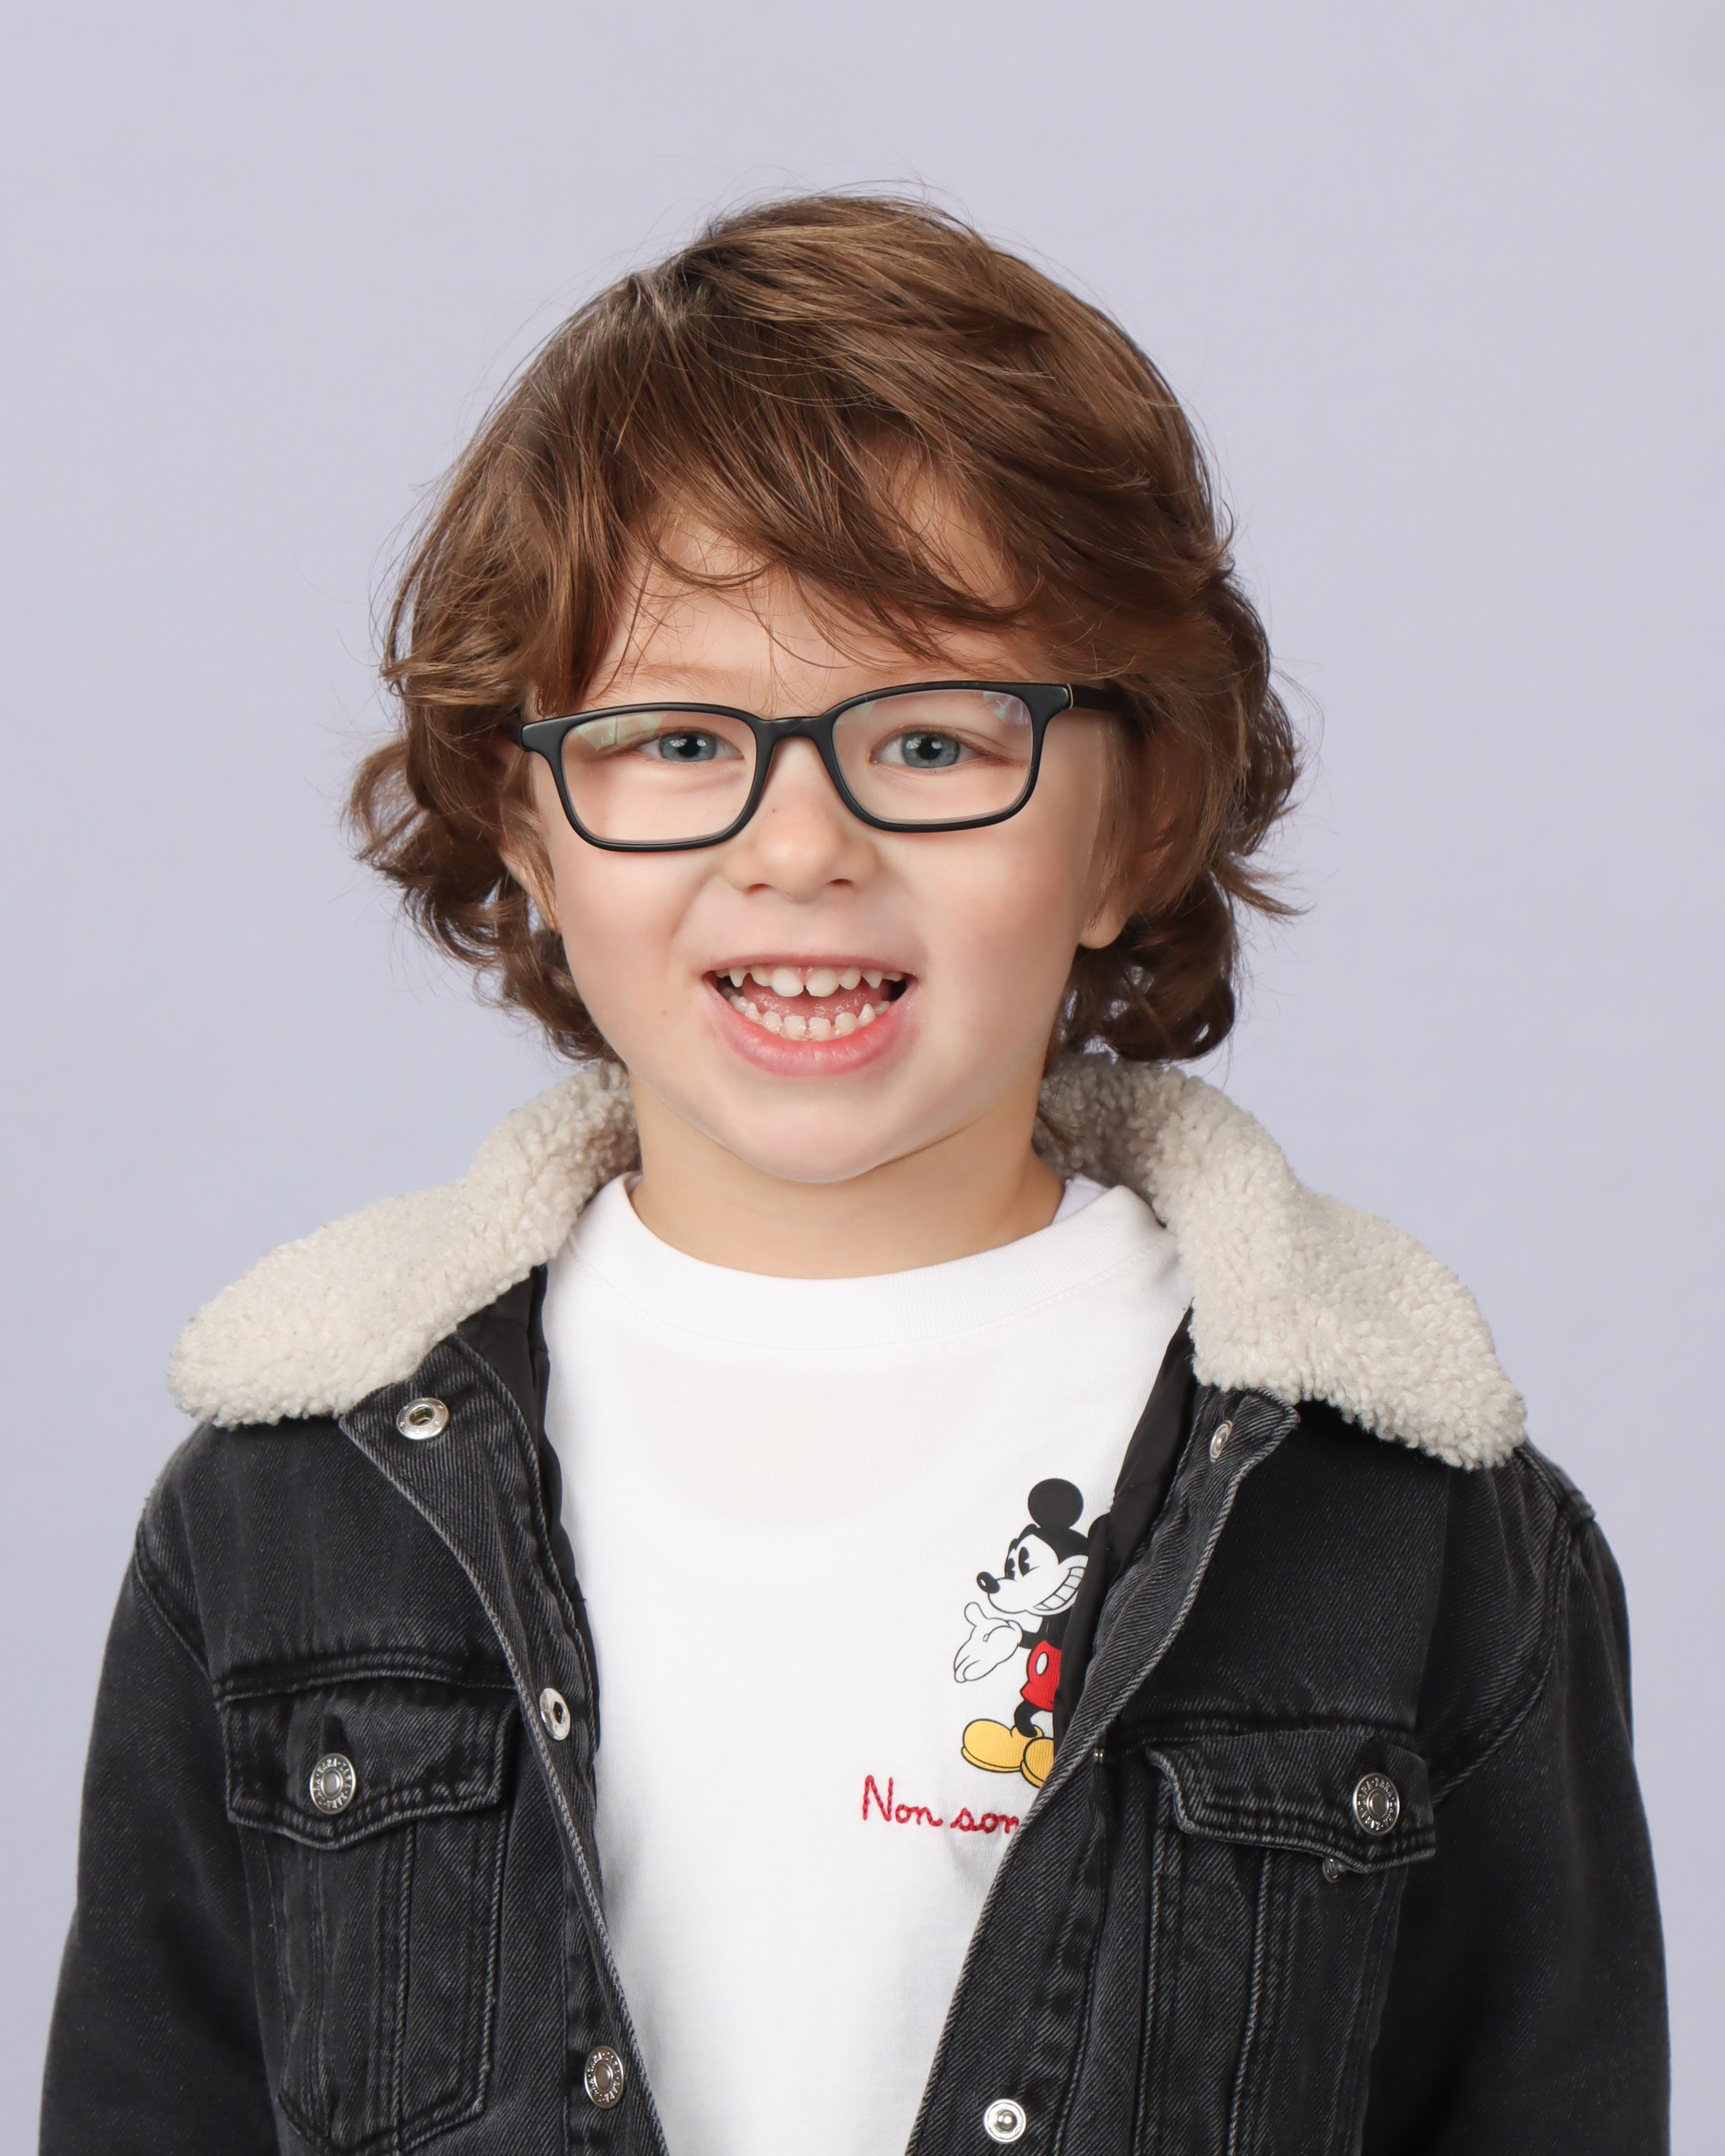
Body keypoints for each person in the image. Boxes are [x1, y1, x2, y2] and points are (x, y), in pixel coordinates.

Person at [41, 195, 1667, 2156]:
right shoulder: (285, 1517)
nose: (799, 845)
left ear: (1136, 818)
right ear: (526, 823)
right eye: (674, 738)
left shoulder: (1413, 1528)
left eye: (928, 739)